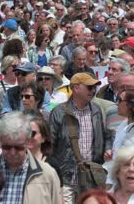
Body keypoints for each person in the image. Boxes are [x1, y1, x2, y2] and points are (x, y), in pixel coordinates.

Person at [49, 72, 114, 203]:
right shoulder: (59, 112)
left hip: (91, 175)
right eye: (89, 87)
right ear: (76, 88)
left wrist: (107, 148)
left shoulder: (96, 110)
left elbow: (106, 134)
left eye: (94, 88)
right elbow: (50, 143)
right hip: (67, 175)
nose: (93, 91)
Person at [0, 112, 62, 204]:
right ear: (0, 142)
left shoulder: (48, 174)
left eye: (18, 147)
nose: (12, 152)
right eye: (7, 147)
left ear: (27, 142)